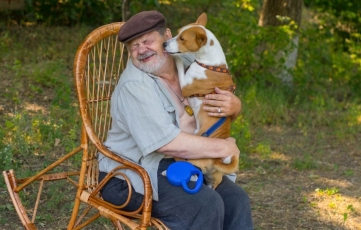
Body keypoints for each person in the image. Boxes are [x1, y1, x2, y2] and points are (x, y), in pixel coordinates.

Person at [98, 10, 253, 230]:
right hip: (130, 175)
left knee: (236, 200)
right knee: (206, 204)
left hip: (182, 163)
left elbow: (218, 104)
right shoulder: (134, 86)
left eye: (148, 41)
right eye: (134, 46)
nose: (142, 50)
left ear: (167, 36)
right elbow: (166, 143)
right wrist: (222, 147)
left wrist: (235, 106)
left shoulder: (191, 62)